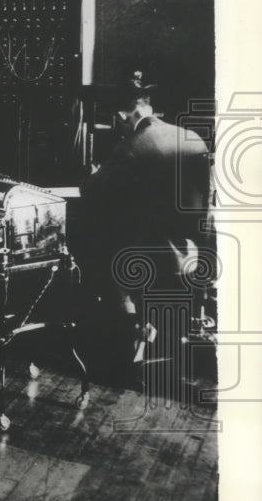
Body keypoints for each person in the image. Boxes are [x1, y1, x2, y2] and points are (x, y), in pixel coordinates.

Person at [79, 73, 211, 365]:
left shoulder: (132, 146)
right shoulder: (193, 138)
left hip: (147, 255)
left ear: (122, 116)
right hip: (193, 248)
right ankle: (166, 332)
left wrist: (94, 175)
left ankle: (130, 334)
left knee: (98, 245)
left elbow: (91, 191)